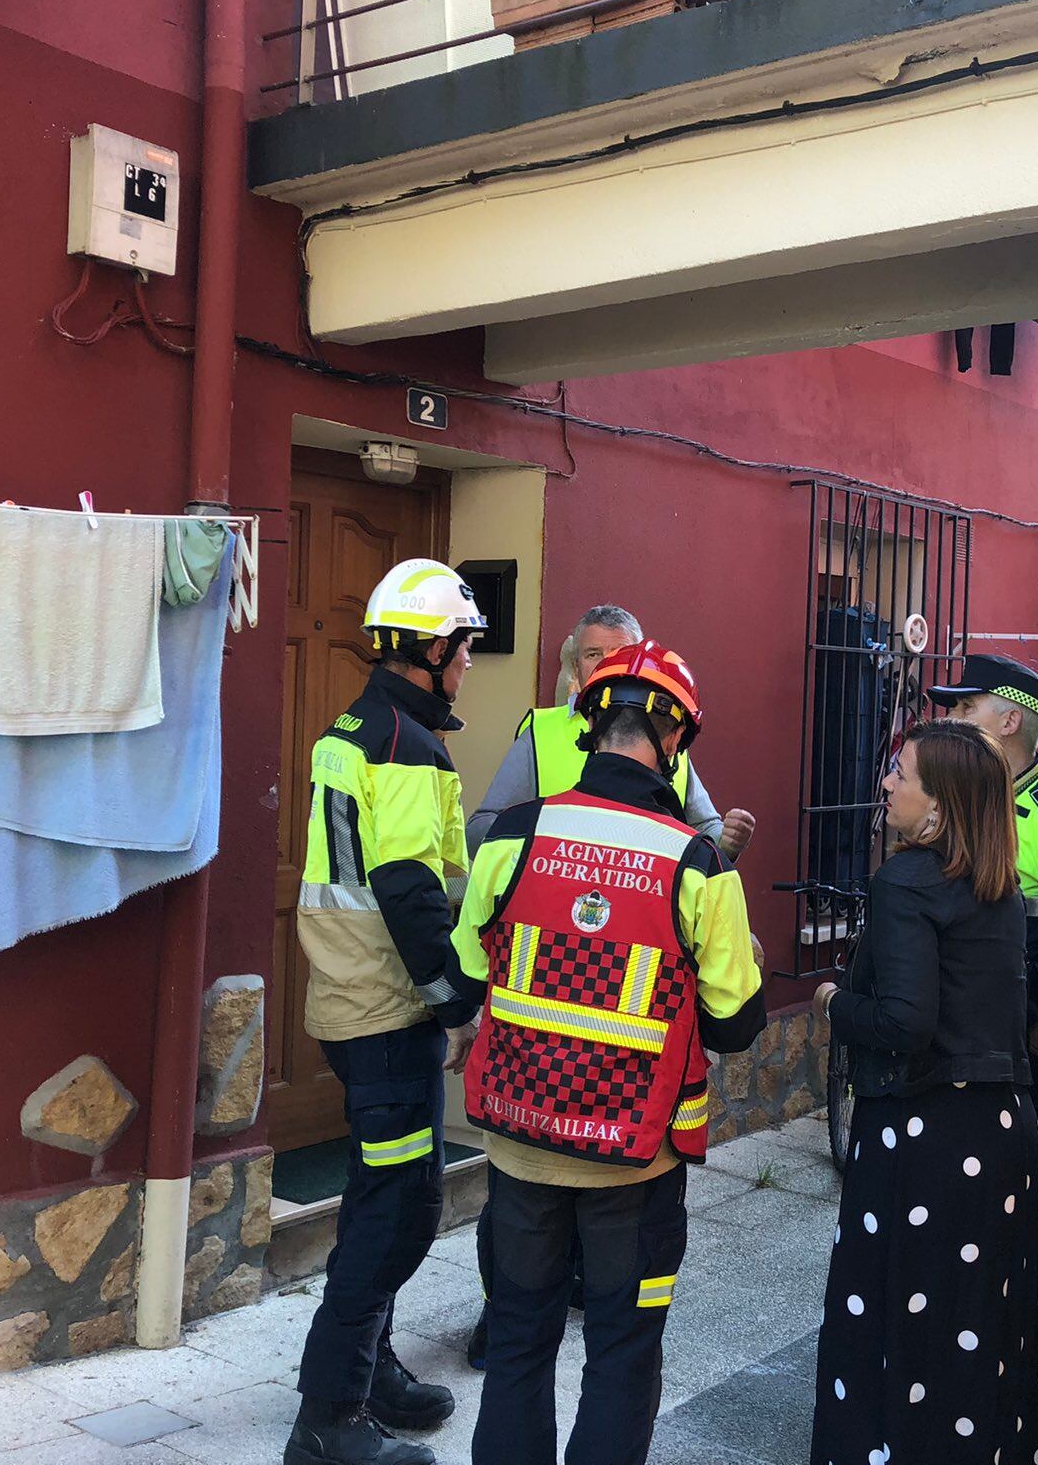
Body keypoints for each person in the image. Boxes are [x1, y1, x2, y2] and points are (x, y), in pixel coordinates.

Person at [451, 639, 766, 1465]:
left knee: (518, 1343)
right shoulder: (696, 864)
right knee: (622, 1359)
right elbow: (736, 1025)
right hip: (636, 1162)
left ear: (590, 725)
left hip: (519, 1147)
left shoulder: (513, 836)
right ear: (675, 743)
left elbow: (461, 976)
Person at [286, 559, 488, 1465]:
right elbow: (408, 888)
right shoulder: (407, 743)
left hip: (350, 998)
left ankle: (366, 1374)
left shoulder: (357, 723)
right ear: (435, 649)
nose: (471, 664)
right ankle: (328, 1421)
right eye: (467, 646)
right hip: (387, 1008)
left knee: (388, 1194)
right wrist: (452, 1001)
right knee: (396, 1209)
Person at [808, 720, 1038, 1465]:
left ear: (938, 804)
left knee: (898, 1326)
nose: (887, 784)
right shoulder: (996, 888)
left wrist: (831, 1004)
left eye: (901, 775)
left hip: (925, 1136)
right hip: (1002, 1131)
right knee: (978, 1325)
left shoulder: (905, 882)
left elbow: (905, 1021)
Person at [931, 653, 1038, 1457]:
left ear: (1006, 719)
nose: (950, 722)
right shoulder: (965, 803)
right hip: (973, 1052)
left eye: (963, 711)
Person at [464, 604, 755, 860]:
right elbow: (478, 832)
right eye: (593, 654)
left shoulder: (667, 733)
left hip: (649, 904)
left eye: (619, 654)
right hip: (558, 903)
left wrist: (727, 842)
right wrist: (553, 850)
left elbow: (704, 828)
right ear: (575, 667)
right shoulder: (541, 732)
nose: (605, 663)